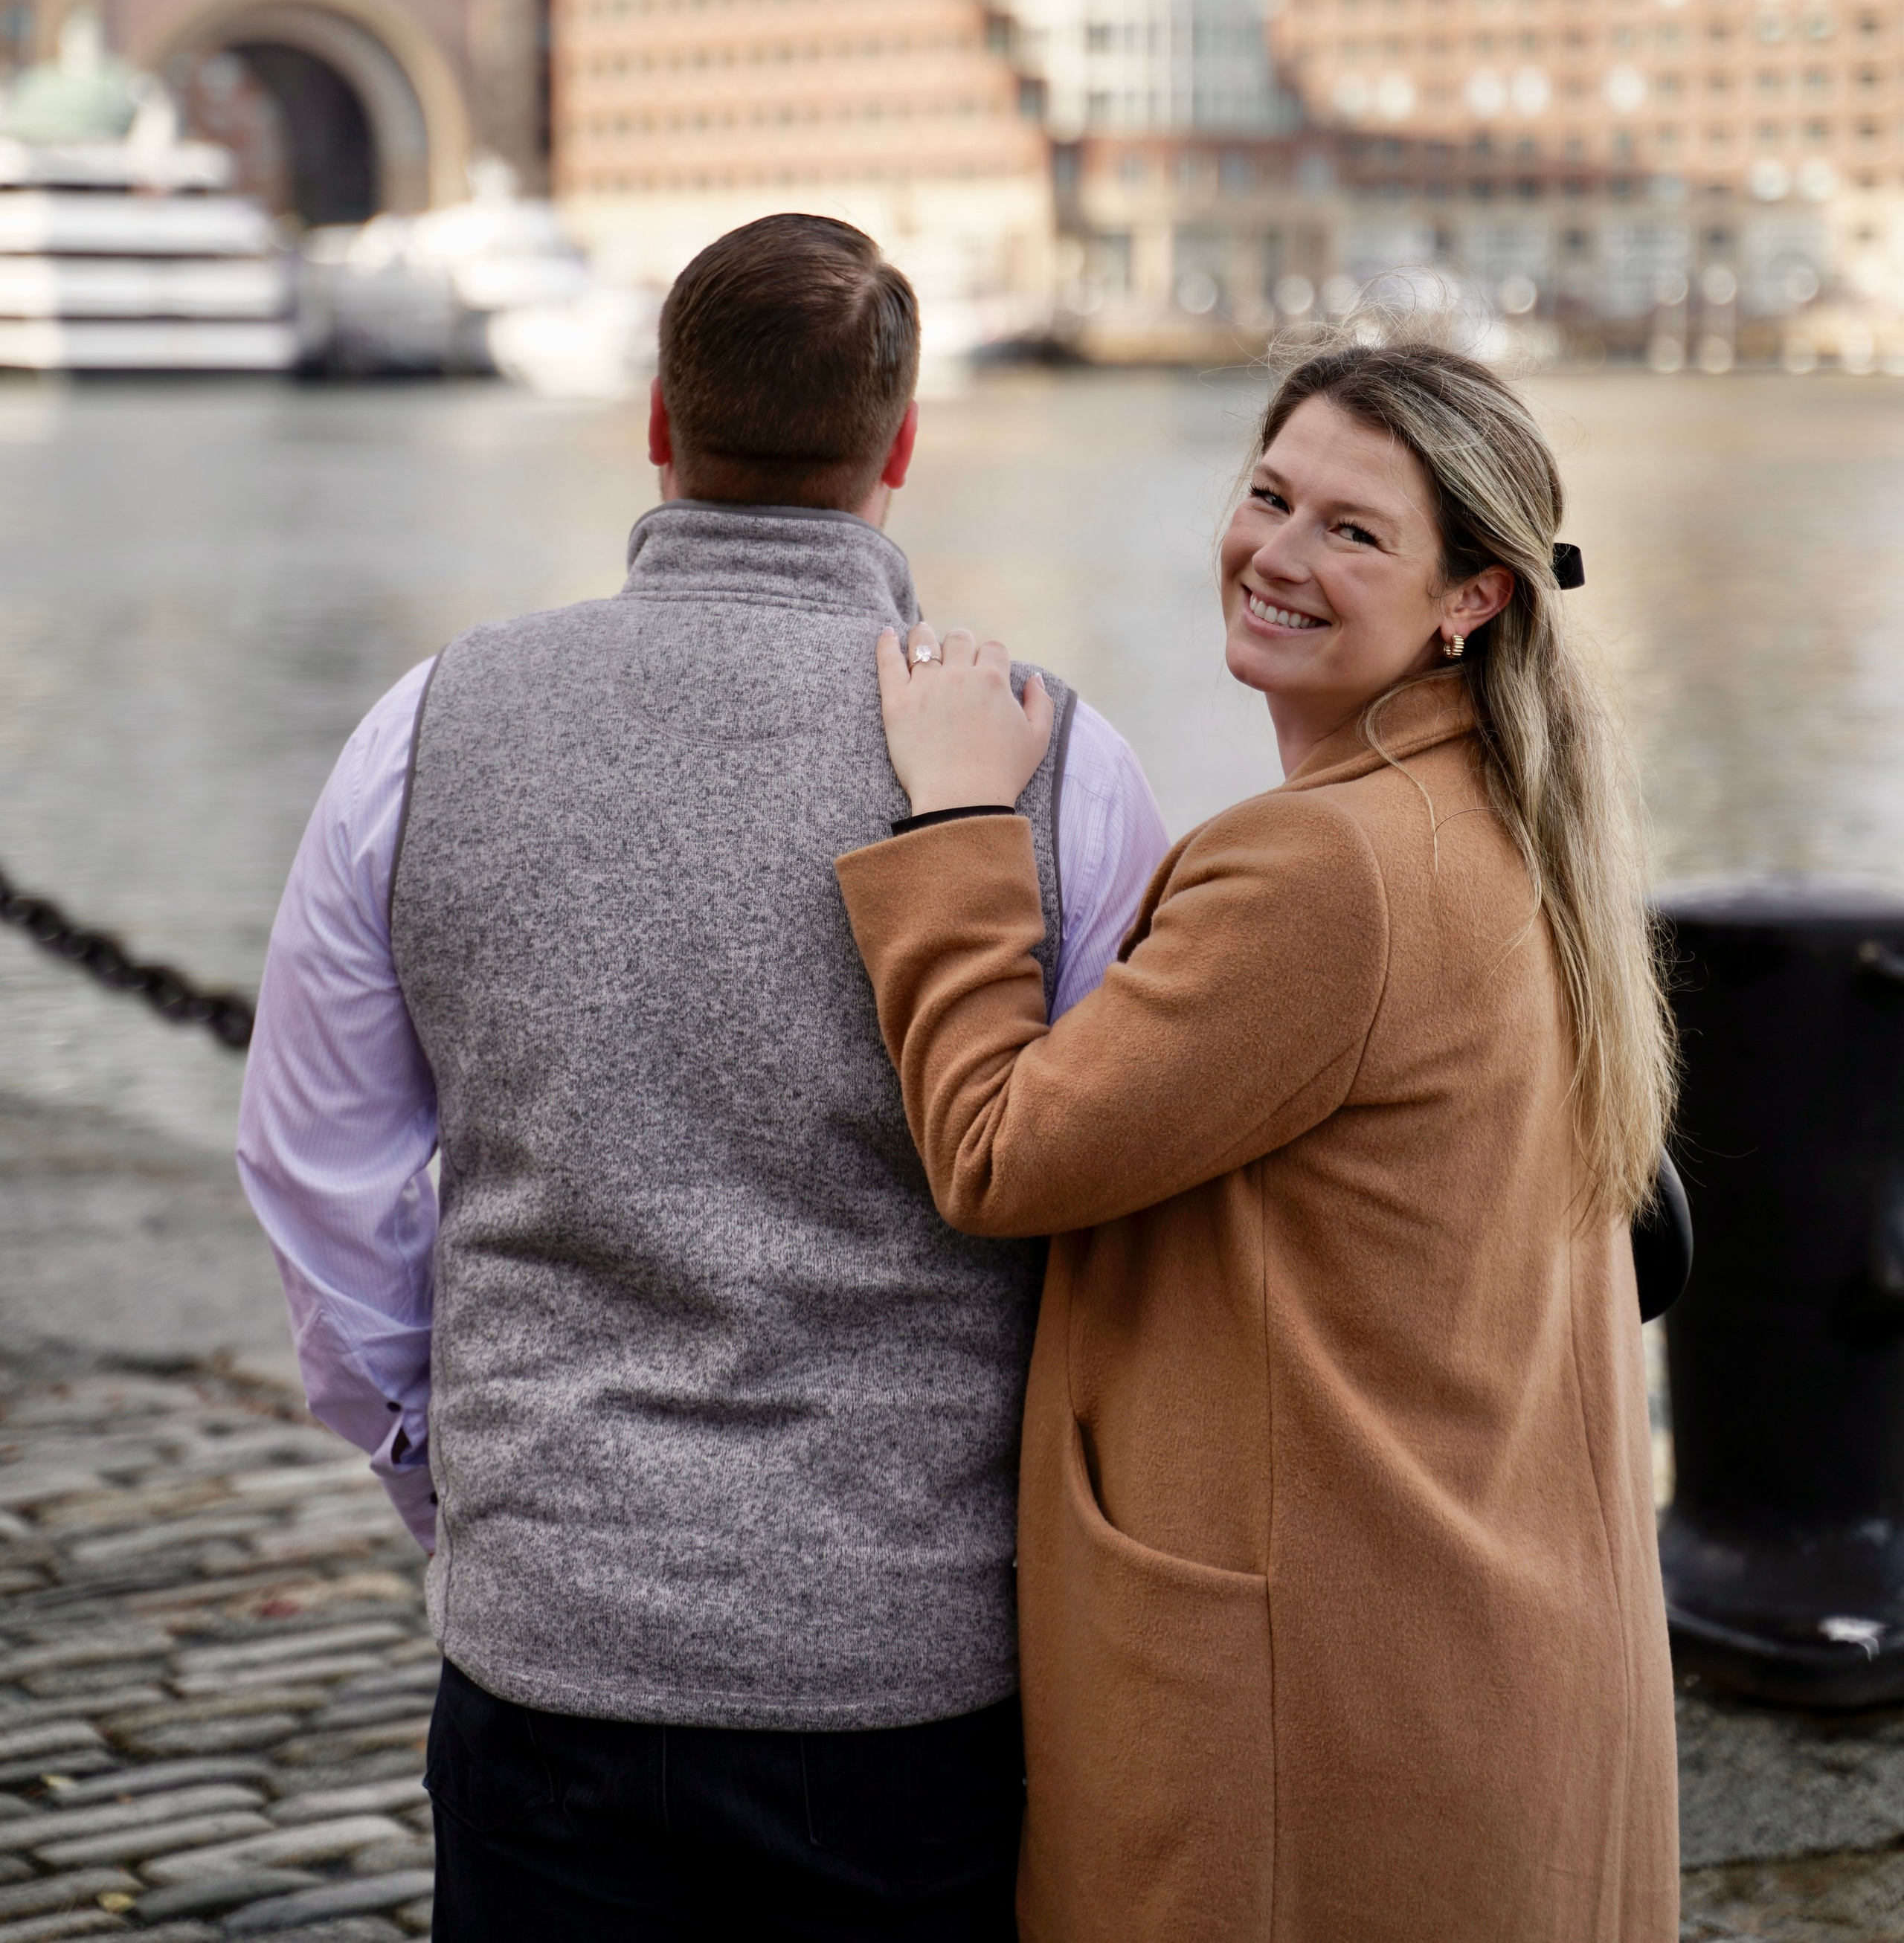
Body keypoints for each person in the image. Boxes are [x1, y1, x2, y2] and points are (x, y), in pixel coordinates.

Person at [236, 213, 1167, 1943]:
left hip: (551, 1637)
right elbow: (1113, 1205)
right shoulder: (1061, 764)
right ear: (899, 443)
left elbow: (321, 1174)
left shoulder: (429, 723)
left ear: (655, 419)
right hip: (914, 1665)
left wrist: (456, 1482)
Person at [836, 332, 1680, 1943]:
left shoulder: (1324, 872)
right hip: (1472, 1649)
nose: (1274, 554)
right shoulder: (1504, 822)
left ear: (1470, 596)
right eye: (1266, 494)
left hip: (1311, 1702)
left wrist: (954, 821)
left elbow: (999, 1151)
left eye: (1350, 530)